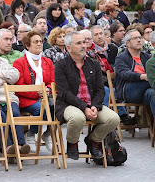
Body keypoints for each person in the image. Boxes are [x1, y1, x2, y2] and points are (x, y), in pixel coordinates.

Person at [54, 31, 120, 160]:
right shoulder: (61, 65)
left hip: (91, 104)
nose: (83, 45)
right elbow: (64, 92)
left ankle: (93, 140)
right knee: (78, 119)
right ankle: (72, 143)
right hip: (69, 104)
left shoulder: (93, 63)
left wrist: (95, 106)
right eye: (78, 43)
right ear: (68, 48)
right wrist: (84, 107)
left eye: (84, 42)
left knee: (114, 119)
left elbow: (100, 89)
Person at [13, 30, 55, 152]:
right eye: (35, 42)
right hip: (25, 99)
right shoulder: (19, 62)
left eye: (41, 41)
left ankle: (47, 133)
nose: (39, 44)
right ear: (27, 45)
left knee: (58, 108)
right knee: (42, 108)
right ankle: (31, 133)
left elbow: (53, 81)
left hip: (45, 97)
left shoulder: (48, 62)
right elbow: (19, 85)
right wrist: (36, 93)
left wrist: (48, 90)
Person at [115, 29, 155, 123]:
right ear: (127, 43)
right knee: (150, 81)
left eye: (140, 37)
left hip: (146, 90)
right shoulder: (121, 58)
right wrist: (143, 76)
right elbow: (125, 74)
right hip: (128, 91)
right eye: (135, 38)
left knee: (152, 93)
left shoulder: (146, 56)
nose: (139, 40)